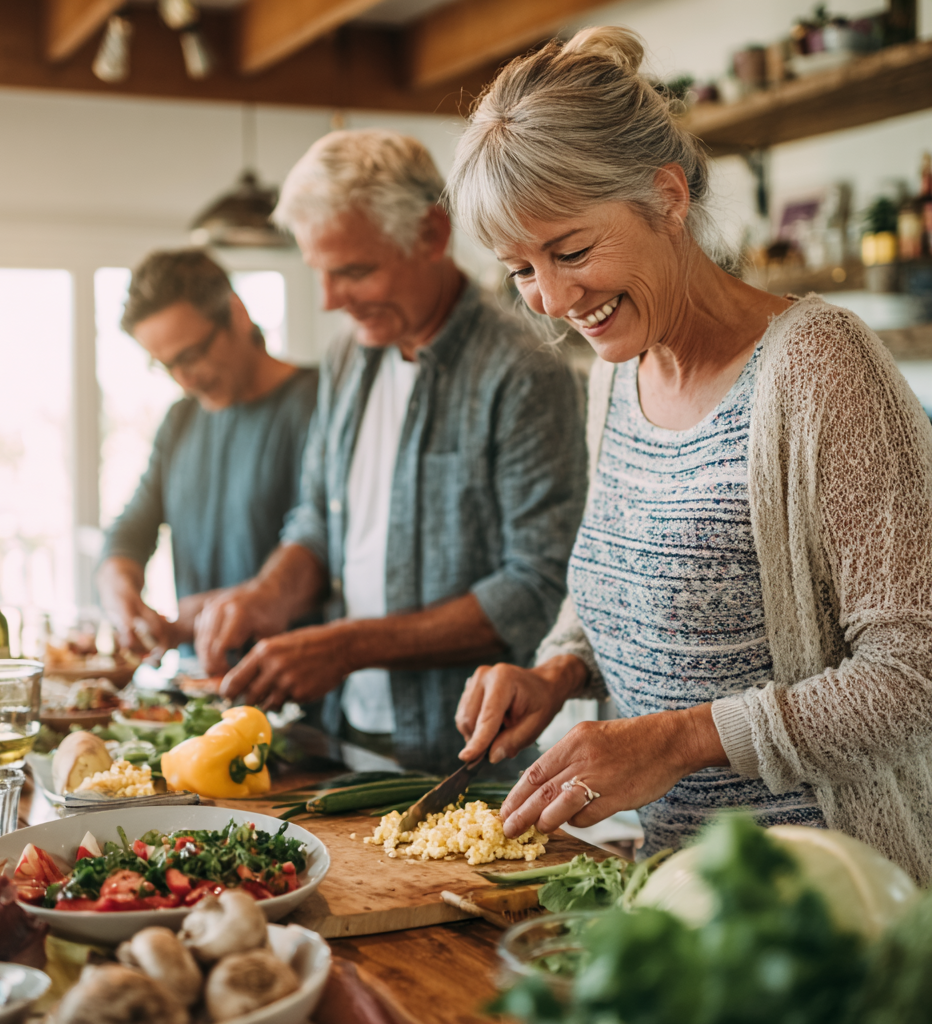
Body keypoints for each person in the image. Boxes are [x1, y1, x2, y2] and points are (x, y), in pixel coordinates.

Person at [446, 26, 932, 881]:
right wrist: (558, 670)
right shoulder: (616, 375)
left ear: (667, 197)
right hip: (673, 887)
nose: (553, 300)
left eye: (571, 251)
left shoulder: (818, 364)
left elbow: (913, 675)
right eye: (520, 267)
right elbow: (628, 590)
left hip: (829, 901)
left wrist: (677, 740)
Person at [194, 129, 587, 772]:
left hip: (462, 754)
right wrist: (266, 595)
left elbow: (536, 586)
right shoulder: (350, 353)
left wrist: (348, 646)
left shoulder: (522, 371)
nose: (329, 300)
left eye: (353, 271)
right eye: (320, 272)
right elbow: (319, 519)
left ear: (432, 235)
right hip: (345, 727)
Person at [98, 249, 318, 659]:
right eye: (166, 366)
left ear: (236, 313)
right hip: (203, 682)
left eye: (191, 356)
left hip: (297, 686)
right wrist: (118, 584)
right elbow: (133, 527)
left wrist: (192, 619)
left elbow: (325, 548)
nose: (184, 379)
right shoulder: (181, 420)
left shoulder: (318, 404)